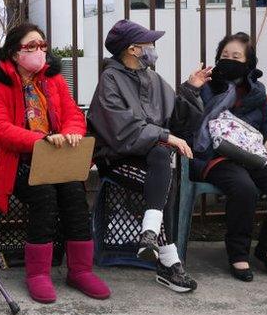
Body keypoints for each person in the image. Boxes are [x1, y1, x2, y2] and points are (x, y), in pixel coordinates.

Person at [0, 22, 110, 304]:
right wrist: (39, 141)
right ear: (15, 53)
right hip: (14, 163)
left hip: (55, 157)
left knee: (75, 192)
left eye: (42, 46)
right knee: (44, 194)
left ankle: (80, 270)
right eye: (31, 47)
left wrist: (72, 132)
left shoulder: (53, 80)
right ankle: (38, 274)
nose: (39, 51)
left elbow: (74, 113)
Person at [88, 19, 210, 293]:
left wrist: (190, 89)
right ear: (132, 49)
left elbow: (176, 121)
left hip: (151, 161)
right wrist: (165, 136)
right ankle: (168, 262)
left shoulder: (152, 78)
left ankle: (151, 236)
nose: (153, 48)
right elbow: (121, 130)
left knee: (160, 159)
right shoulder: (110, 80)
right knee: (164, 170)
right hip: (116, 159)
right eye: (149, 44)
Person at [189, 32, 267, 281]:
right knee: (244, 187)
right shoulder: (204, 85)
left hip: (250, 153)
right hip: (214, 155)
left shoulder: (256, 90)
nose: (229, 59)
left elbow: (266, 121)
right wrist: (190, 90)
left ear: (248, 62)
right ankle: (238, 253)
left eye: (236, 56)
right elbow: (185, 120)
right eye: (224, 55)